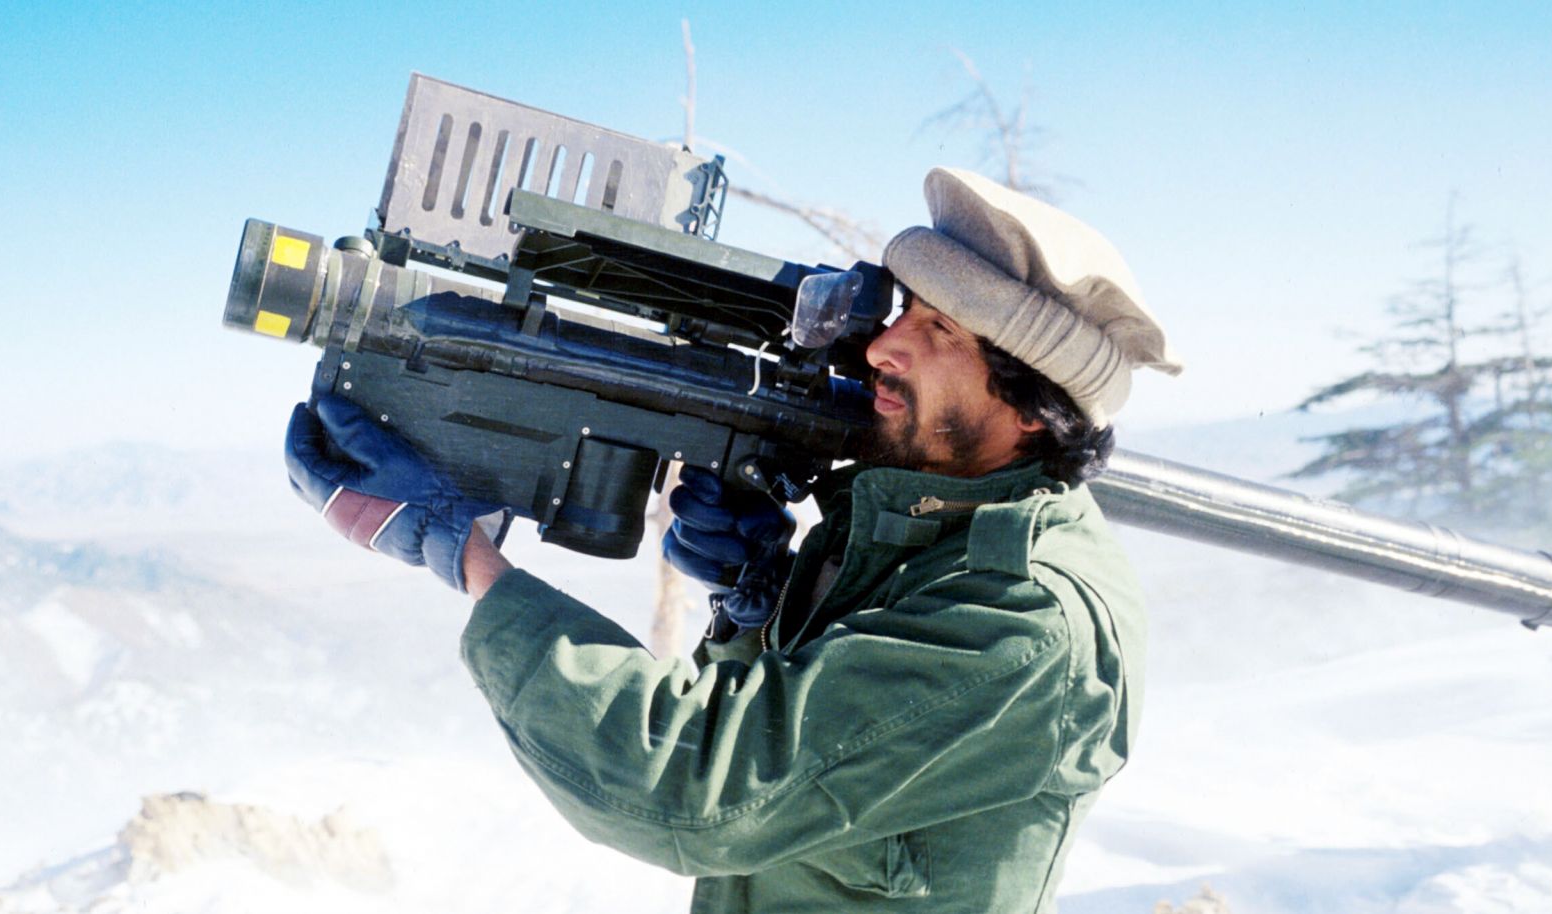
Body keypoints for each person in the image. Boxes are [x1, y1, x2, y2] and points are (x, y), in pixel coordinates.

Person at [283, 167, 1181, 912]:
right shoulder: (926, 530)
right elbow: (805, 748)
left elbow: (693, 789)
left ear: (1025, 405)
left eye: (936, 330)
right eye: (904, 312)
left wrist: (468, 558)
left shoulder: (1025, 618)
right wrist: (759, 601)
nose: (881, 348)